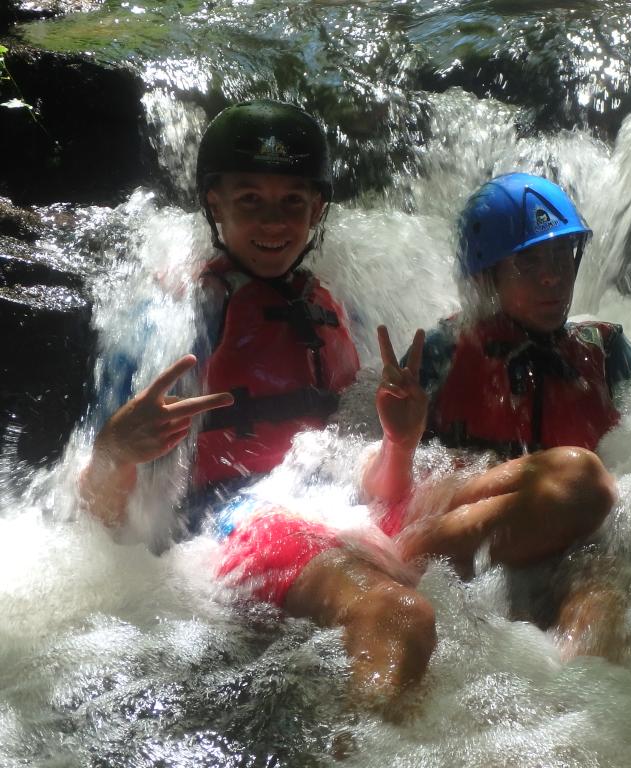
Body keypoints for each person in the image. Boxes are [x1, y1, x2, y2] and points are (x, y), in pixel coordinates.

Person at [78, 100, 435, 708]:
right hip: (222, 527)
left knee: (570, 481)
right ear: (214, 204)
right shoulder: (173, 318)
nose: (274, 222)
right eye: (250, 200)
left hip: (318, 500)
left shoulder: (332, 306)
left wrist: (401, 441)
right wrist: (114, 452)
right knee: (397, 614)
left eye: (292, 201)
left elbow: (362, 477)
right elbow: (98, 526)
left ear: (318, 208)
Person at [392, 172, 631, 657]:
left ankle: (575, 705)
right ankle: (402, 565)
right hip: (467, 536)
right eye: (528, 261)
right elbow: (390, 483)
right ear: (487, 276)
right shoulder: (439, 353)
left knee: (606, 595)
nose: (553, 276)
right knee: (580, 480)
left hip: (566, 537)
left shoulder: (608, 350)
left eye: (561, 255)